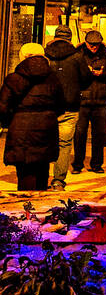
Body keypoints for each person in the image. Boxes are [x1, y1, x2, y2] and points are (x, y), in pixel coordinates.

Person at [0, 41, 66, 191]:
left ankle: (26, 208)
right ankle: (41, 205)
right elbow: (61, 105)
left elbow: (2, 108)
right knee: (43, 169)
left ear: (23, 56)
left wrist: (10, 122)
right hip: (46, 129)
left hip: (20, 129)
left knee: (24, 172)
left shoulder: (14, 78)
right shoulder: (53, 78)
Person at [71, 30, 106, 175]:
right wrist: (87, 73)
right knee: (79, 133)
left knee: (99, 134)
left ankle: (96, 164)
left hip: (101, 100)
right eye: (91, 45)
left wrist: (103, 74)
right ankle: (77, 164)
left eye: (96, 45)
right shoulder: (77, 55)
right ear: (85, 43)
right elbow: (72, 75)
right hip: (83, 100)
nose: (94, 47)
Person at [45, 25, 94, 188]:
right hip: (70, 106)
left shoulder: (45, 54)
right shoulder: (77, 56)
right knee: (64, 143)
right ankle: (58, 180)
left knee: (44, 141)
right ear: (70, 38)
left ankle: (42, 176)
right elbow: (87, 79)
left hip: (47, 106)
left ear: (55, 36)